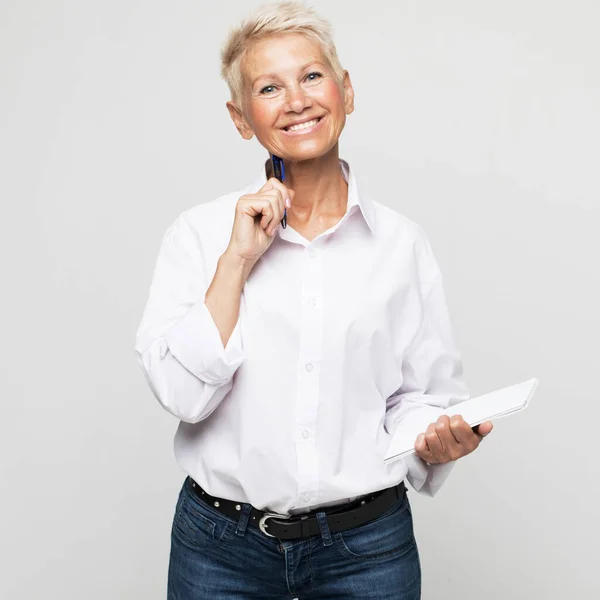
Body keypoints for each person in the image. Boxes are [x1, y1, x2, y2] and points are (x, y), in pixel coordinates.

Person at [134, 2, 493, 598]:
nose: (296, 100)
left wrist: (435, 433)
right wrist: (237, 260)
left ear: (346, 91)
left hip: (367, 551)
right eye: (269, 87)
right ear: (241, 118)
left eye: (311, 76)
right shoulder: (198, 236)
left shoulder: (400, 245)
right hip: (220, 550)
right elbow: (183, 397)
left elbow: (418, 396)